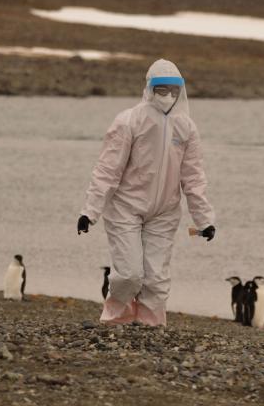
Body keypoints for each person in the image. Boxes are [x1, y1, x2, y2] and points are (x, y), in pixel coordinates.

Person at [78, 58, 216, 327]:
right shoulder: (129, 121)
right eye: (161, 89)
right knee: (129, 274)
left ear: (181, 91)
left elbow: (194, 177)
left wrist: (204, 220)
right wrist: (89, 211)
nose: (167, 96)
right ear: (150, 88)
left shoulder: (186, 127)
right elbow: (107, 170)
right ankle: (116, 319)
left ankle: (150, 325)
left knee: (156, 277)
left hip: (164, 211)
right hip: (125, 207)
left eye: (173, 90)